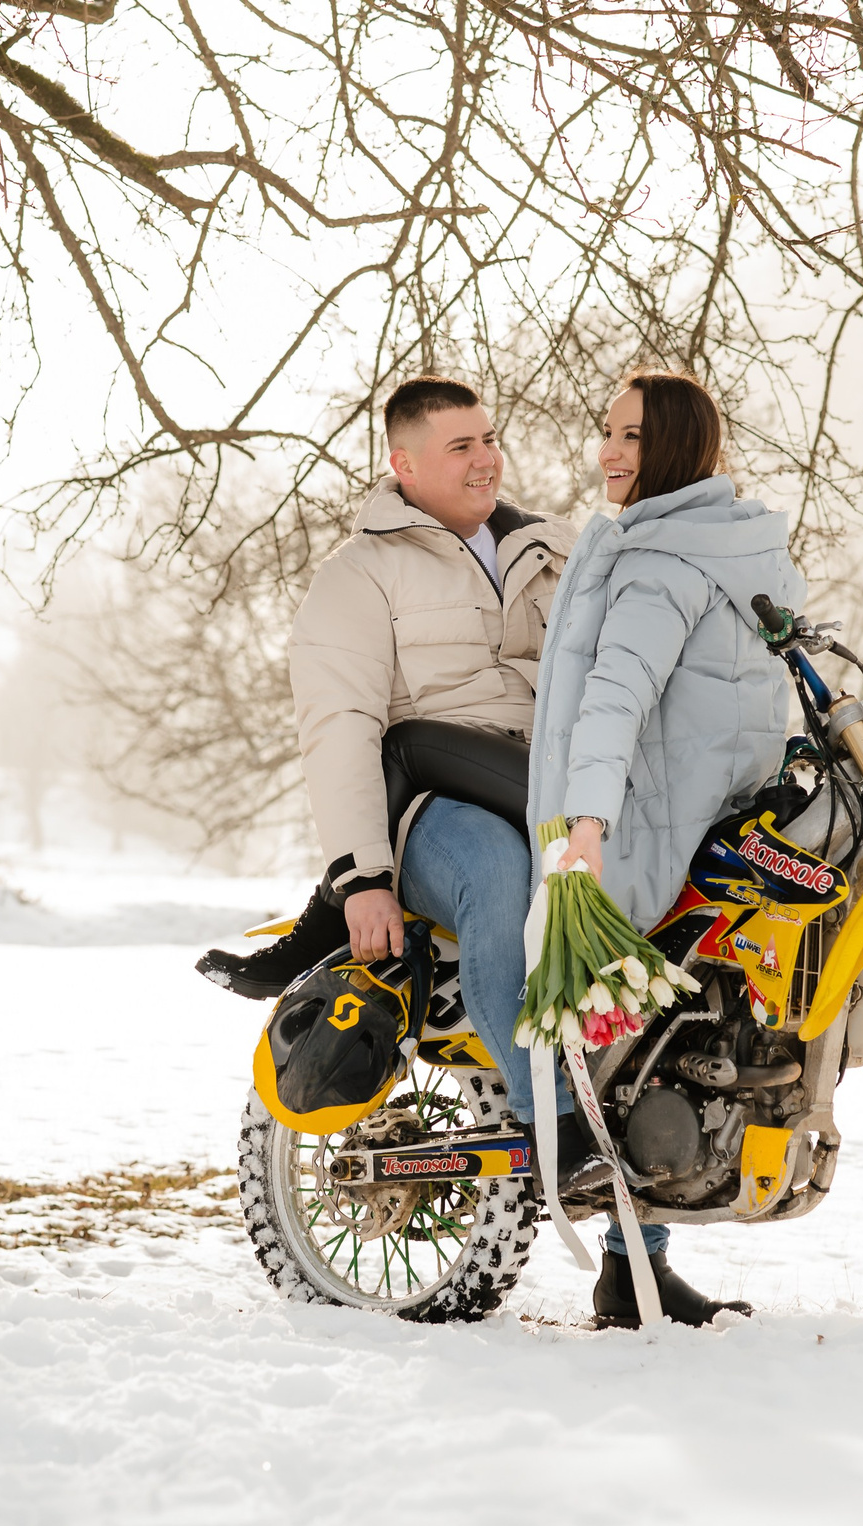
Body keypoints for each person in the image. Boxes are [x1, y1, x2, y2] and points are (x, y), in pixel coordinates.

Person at [197, 375, 590, 1146]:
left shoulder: (553, 550)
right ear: (403, 465)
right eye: (460, 447)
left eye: (488, 439)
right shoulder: (360, 574)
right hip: (435, 809)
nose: (486, 460)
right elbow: (339, 726)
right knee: (495, 870)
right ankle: (552, 1121)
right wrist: (364, 879)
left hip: (554, 783)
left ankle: (632, 1251)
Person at [528, 370, 806, 1328]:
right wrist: (588, 826)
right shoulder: (672, 560)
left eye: (631, 437)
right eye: (607, 432)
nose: (609, 452)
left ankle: (630, 1264)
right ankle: (607, 1211)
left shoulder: (704, 554)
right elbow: (613, 701)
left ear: (678, 446)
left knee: (680, 1036)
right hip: (652, 824)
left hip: (716, 817)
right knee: (644, 1036)